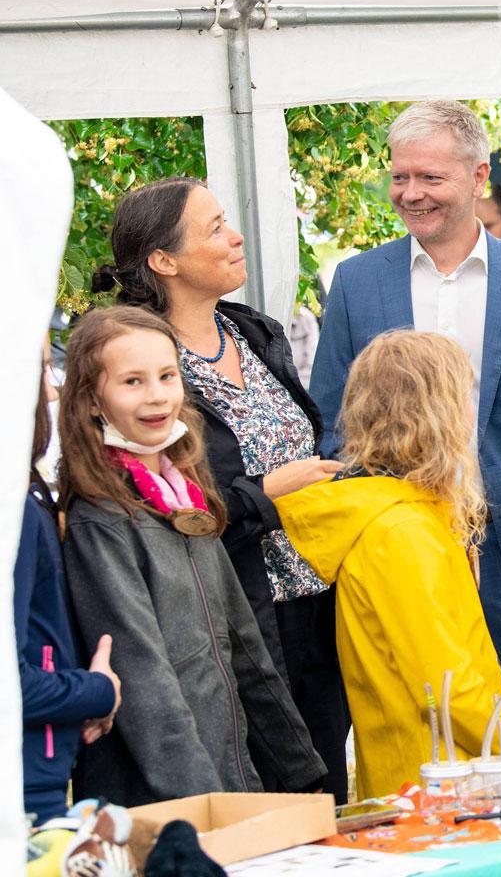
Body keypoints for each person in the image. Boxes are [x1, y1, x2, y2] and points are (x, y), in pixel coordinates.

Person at [310, 101, 501, 757]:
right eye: (400, 176)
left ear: (478, 177)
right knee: (428, 748)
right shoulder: (355, 283)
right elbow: (331, 424)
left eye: (430, 178)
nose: (411, 193)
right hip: (405, 560)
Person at [102, 178, 351, 802]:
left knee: (328, 785)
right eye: (214, 228)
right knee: (268, 792)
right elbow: (161, 507)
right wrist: (271, 490)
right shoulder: (143, 367)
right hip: (234, 614)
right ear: (164, 261)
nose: (236, 237)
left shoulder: (253, 333)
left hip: (317, 598)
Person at [277, 331, 501, 799]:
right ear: (435, 413)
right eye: (464, 395)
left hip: (449, 771)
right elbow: (445, 686)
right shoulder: (400, 533)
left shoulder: (412, 514)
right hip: (435, 785)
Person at [58, 306, 324, 806]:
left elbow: (245, 647)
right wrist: (205, 803)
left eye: (166, 376)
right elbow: (144, 681)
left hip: (229, 774)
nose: (157, 395)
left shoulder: (188, 497)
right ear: (93, 399)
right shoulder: (103, 521)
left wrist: (301, 769)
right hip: (165, 798)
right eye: (132, 381)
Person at [17, 350, 120, 822]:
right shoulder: (15, 513)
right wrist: (96, 690)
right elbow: (12, 681)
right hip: (26, 785)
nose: (52, 389)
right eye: (41, 369)